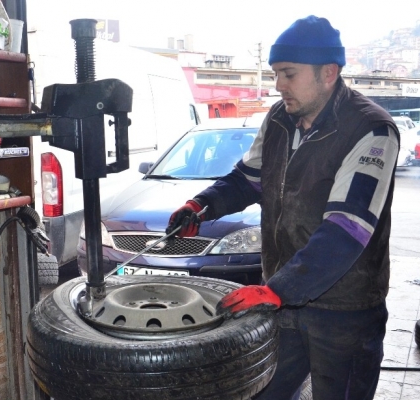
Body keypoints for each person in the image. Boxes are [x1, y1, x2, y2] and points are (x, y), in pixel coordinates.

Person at [166, 15, 399, 400]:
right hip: (282, 299)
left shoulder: (371, 129)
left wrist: (279, 289)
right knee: (262, 391)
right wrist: (202, 205)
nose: (279, 85)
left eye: (289, 74)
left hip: (343, 311)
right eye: (276, 74)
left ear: (328, 73)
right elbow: (248, 179)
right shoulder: (279, 118)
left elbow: (347, 229)